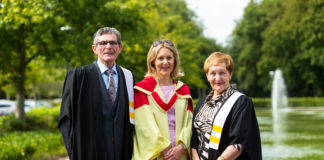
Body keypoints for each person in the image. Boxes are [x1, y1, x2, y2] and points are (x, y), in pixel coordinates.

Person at [58, 27, 134, 160]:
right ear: (94, 49)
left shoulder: (127, 76)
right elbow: (65, 119)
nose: (108, 46)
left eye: (113, 43)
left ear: (120, 47)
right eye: (103, 43)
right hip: (89, 153)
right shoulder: (78, 77)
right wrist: (75, 150)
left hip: (121, 152)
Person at [191, 52, 262, 160]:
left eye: (222, 73)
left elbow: (238, 142)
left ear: (230, 74)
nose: (217, 78)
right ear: (207, 76)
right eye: (213, 73)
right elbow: (194, 139)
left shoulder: (241, 102)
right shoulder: (201, 103)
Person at [132, 40, 193, 160]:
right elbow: (143, 126)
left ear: (174, 60)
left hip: (179, 154)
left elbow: (189, 124)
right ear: (153, 62)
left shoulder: (183, 90)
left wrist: (181, 147)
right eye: (160, 58)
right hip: (155, 154)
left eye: (169, 58)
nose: (165, 62)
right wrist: (164, 150)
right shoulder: (142, 90)